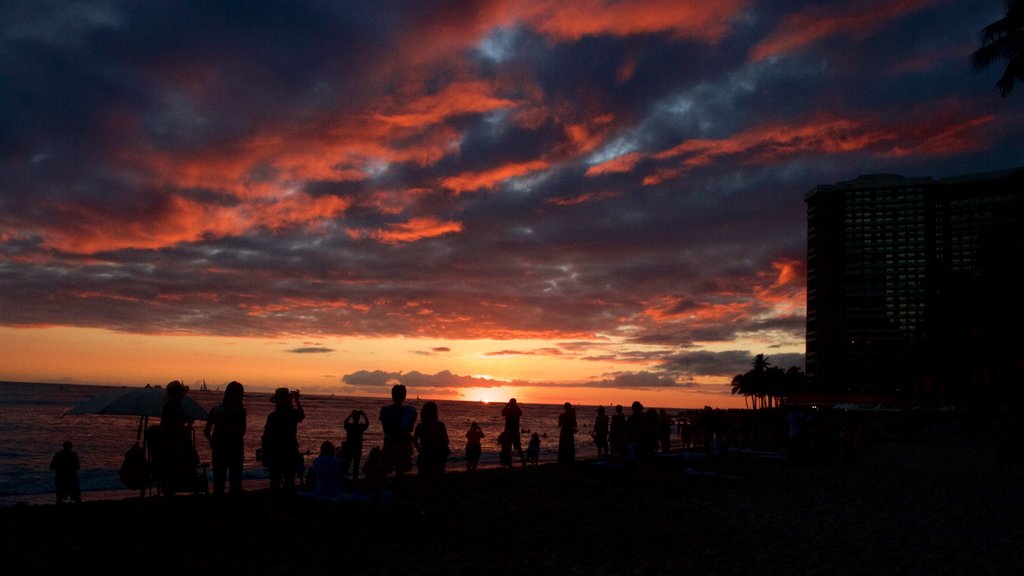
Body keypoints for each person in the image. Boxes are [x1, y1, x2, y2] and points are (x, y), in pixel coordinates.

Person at [204, 380, 246, 496]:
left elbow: (206, 431)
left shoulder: (215, 410)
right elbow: (242, 432)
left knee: (218, 482)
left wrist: (212, 442)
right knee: (235, 483)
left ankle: (218, 508)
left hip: (218, 449)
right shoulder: (240, 412)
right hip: (235, 450)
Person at [262, 387, 305, 493]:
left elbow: (266, 436)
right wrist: (297, 400)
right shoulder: (291, 414)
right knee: (287, 481)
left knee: (277, 481)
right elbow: (301, 416)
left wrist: (265, 452)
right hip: (289, 450)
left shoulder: (273, 416)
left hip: (277, 451)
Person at [158, 380, 196, 496]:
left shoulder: (168, 405)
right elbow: (177, 428)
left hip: (167, 444)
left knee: (170, 474)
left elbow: (171, 423)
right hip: (174, 446)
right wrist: (189, 425)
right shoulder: (175, 406)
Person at [412, 401, 450, 512]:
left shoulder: (420, 426)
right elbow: (446, 441)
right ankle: (436, 506)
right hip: (438, 457)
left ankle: (425, 507)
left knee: (424, 483)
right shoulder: (440, 425)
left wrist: (419, 449)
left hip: (424, 456)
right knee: (437, 482)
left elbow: (414, 441)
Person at [380, 384, 417, 483]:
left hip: (390, 443)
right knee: (400, 472)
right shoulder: (410, 411)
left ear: (392, 395)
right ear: (404, 396)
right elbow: (410, 428)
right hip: (403, 444)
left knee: (386, 470)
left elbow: (385, 429)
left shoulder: (385, 410)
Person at [341, 409, 369, 480]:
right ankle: (354, 481)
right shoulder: (360, 427)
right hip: (357, 449)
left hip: (349, 448)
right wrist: (364, 414)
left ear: (353, 418)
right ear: (359, 418)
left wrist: (350, 414)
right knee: (356, 467)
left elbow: (345, 422)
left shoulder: (349, 426)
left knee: (346, 465)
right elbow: (367, 423)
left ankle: (345, 480)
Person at [501, 398, 526, 466]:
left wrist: (506, 405)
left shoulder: (508, 410)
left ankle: (509, 463)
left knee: (508, 448)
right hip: (515, 431)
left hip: (509, 431)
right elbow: (521, 413)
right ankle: (523, 461)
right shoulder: (516, 410)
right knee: (518, 447)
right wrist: (516, 406)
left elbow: (502, 413)